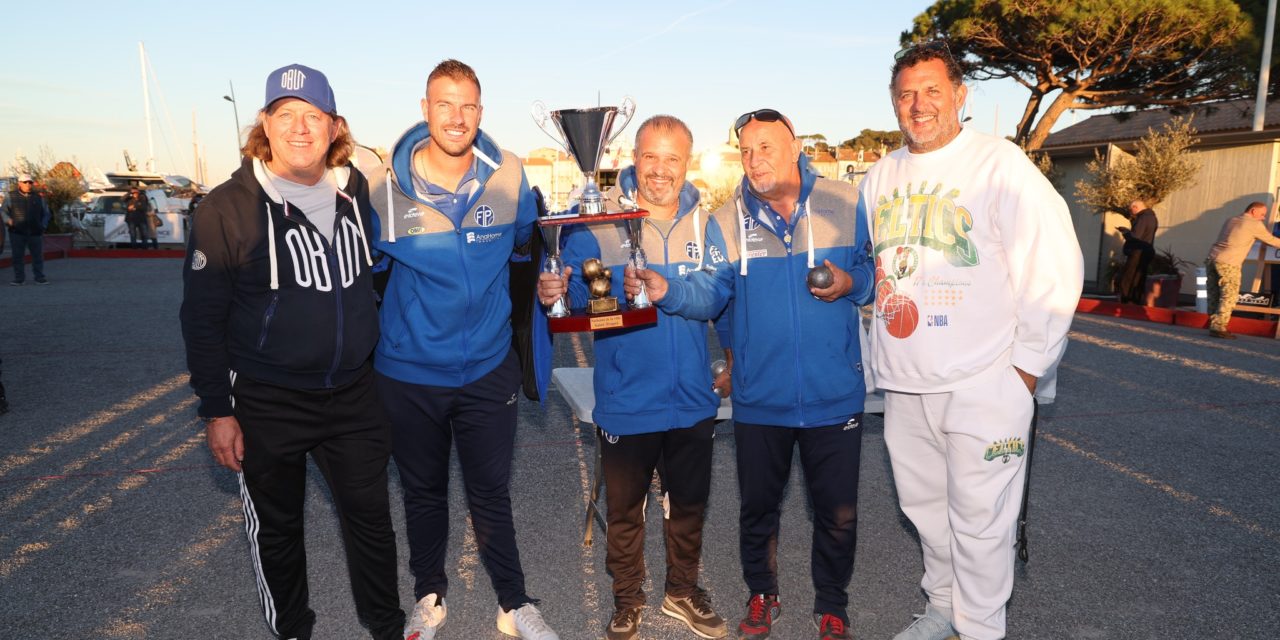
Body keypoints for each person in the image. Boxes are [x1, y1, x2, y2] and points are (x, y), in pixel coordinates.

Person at [857, 41, 1083, 640]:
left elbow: (1052, 266)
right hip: (906, 384)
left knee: (982, 523)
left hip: (987, 381)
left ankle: (982, 629)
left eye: (933, 90)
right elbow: (874, 273)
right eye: (906, 93)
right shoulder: (879, 176)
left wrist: (1026, 372)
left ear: (961, 95)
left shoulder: (999, 165)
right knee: (927, 515)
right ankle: (943, 609)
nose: (919, 104)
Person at [626, 108, 874, 640]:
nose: (754, 158)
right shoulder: (723, 221)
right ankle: (762, 594)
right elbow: (713, 296)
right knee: (758, 510)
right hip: (761, 398)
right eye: (745, 150)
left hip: (834, 395)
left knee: (838, 514)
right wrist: (670, 292)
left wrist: (851, 282)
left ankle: (832, 603)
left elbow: (877, 278)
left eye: (766, 146)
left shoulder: (848, 203)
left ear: (795, 149)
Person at [179, 63, 405, 640]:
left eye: (313, 116)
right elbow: (201, 319)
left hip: (354, 392)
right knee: (277, 529)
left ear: (334, 127)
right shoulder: (226, 208)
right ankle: (293, 631)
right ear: (265, 123)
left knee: (372, 521)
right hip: (266, 399)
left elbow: (372, 278)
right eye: (286, 115)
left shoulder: (354, 192)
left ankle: (387, 626)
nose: (300, 128)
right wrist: (216, 410)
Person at [367, 59, 558, 640]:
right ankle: (429, 594)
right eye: (444, 103)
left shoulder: (510, 177)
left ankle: (514, 602)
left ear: (481, 112)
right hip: (408, 374)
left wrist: (549, 285)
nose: (457, 116)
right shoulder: (381, 187)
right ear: (425, 110)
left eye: (468, 105)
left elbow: (528, 253)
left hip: (486, 369)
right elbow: (364, 275)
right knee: (423, 493)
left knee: (490, 493)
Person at [537, 116, 729, 640]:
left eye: (672, 158)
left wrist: (670, 292)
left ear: (687, 163)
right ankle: (627, 600)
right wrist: (557, 293)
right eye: (650, 156)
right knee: (626, 515)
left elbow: (717, 295)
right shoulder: (597, 222)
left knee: (687, 509)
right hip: (626, 399)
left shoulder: (703, 223)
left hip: (691, 400)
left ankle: (682, 592)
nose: (660, 170)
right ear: (633, 156)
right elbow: (579, 300)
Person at [1205, 201, 1280, 339]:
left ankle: (1212, 323)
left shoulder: (1231, 220)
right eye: (1262, 214)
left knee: (1214, 292)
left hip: (1212, 258)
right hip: (1229, 262)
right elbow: (1271, 240)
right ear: (1253, 211)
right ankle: (1219, 327)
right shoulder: (1253, 224)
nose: (1264, 218)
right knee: (1229, 295)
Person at [3, 173, 51, 285]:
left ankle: (39, 277)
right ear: (19, 183)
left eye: (30, 182)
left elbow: (47, 213)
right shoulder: (11, 196)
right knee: (17, 256)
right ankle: (19, 279)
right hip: (17, 232)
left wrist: (43, 225)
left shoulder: (39, 198)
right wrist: (8, 220)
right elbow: (3, 211)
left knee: (37, 256)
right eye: (25, 182)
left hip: (35, 232)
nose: (28, 184)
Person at [1117, 199, 1157, 303]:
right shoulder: (1153, 217)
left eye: (1131, 209)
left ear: (1136, 207)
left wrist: (1125, 232)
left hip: (1138, 251)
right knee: (1140, 276)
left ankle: (1126, 299)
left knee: (1129, 276)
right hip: (1147, 250)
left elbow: (1136, 236)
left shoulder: (1142, 218)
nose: (1131, 211)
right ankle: (1137, 299)